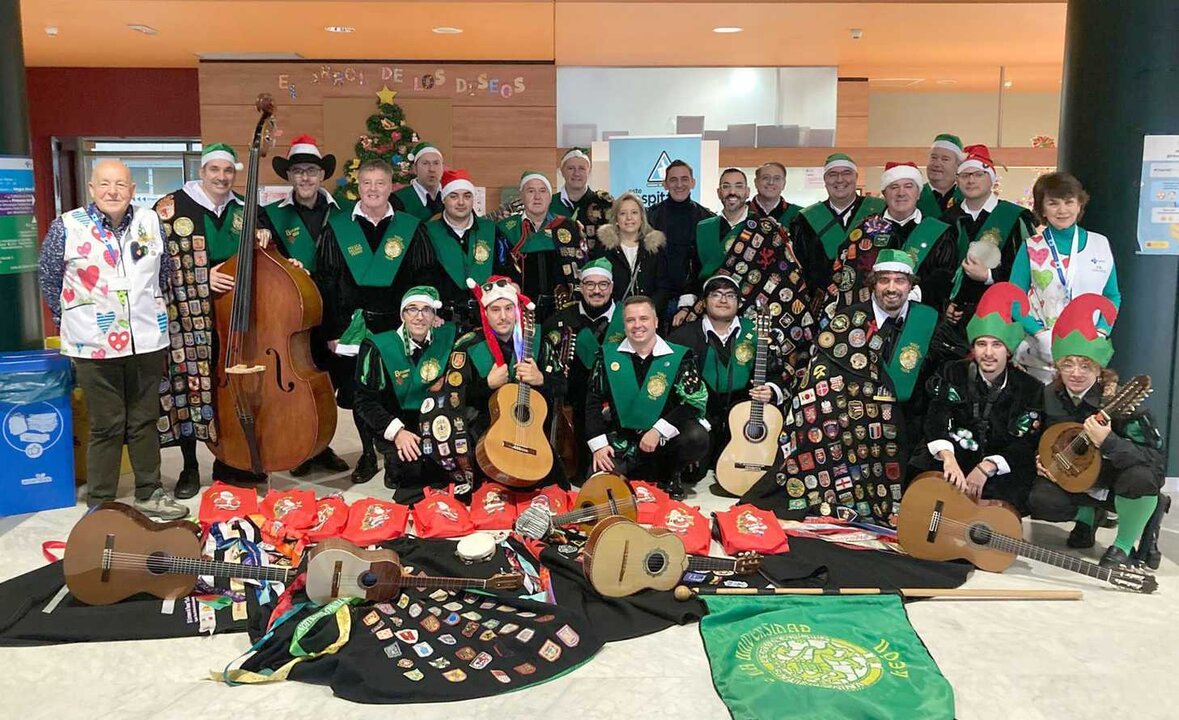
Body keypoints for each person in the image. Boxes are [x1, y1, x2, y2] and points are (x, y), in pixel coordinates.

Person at [38, 159, 187, 519]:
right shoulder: (68, 226)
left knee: (144, 419)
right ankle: (102, 501)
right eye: (104, 184)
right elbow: (49, 277)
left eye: (120, 184)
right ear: (92, 189)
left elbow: (164, 272)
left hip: (147, 339)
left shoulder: (150, 221)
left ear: (133, 190)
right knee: (106, 423)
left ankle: (149, 492)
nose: (112, 191)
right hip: (92, 342)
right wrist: (72, 320)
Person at [745, 250, 937, 526]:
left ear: (911, 285)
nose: (892, 288)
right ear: (873, 283)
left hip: (908, 417)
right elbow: (820, 377)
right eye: (885, 280)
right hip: (851, 417)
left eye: (900, 280)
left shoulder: (927, 322)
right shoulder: (845, 321)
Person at [154, 143, 284, 493]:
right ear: (202, 171)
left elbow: (275, 260)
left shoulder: (247, 210)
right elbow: (154, 267)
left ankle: (232, 460)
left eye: (228, 171)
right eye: (215, 170)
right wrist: (201, 277)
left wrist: (266, 240)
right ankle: (189, 466)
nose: (222, 177)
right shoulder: (169, 209)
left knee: (232, 388)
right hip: (188, 318)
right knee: (190, 386)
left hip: (238, 321)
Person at [316, 158, 437, 484]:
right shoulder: (338, 227)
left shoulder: (410, 227)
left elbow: (424, 275)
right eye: (367, 183)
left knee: (399, 388)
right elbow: (325, 282)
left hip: (400, 326)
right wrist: (332, 330)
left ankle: (398, 447)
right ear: (358, 185)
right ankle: (368, 453)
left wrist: (425, 317)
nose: (373, 189)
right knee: (360, 392)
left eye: (380, 183)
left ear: (390, 186)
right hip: (353, 328)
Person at [1028, 295, 1166, 569]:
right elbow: (1038, 434)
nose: (1076, 373)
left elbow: (1157, 462)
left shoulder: (1122, 402)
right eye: (1068, 364)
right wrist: (1039, 458)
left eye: (1085, 365)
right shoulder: (1049, 395)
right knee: (1039, 499)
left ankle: (1123, 543)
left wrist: (1110, 441)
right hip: (1075, 476)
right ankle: (1088, 518)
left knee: (1142, 478)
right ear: (1058, 367)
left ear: (1098, 369)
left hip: (1117, 481)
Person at [910, 283, 1044, 514]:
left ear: (1008, 351)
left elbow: (1024, 443)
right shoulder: (952, 372)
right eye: (982, 344)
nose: (989, 353)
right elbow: (936, 417)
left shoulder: (1030, 388)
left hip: (996, 471)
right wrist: (948, 457)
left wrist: (987, 467)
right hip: (951, 460)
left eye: (997, 345)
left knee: (1002, 509)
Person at [262, 135, 350, 477]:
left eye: (311, 171)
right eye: (298, 171)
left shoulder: (341, 213)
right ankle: (302, 449)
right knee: (298, 384)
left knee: (328, 382)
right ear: (289, 176)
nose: (305, 178)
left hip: (333, 311)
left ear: (321, 175)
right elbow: (266, 261)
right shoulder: (270, 216)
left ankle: (322, 445)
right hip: (292, 315)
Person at [585, 295, 710, 500]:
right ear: (623, 324)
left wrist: (658, 430)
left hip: (663, 442)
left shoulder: (681, 356)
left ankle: (672, 474)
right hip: (623, 441)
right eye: (630, 320)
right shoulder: (607, 355)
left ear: (656, 322)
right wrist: (599, 446)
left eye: (644, 319)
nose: (637, 325)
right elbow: (592, 403)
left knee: (696, 436)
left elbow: (692, 404)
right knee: (598, 487)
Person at [669, 274, 783, 483]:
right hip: (702, 417)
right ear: (703, 302)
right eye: (716, 294)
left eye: (730, 295)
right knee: (693, 474)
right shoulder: (682, 336)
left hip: (744, 419)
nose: (723, 300)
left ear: (739, 303)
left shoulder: (757, 332)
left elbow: (776, 373)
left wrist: (771, 389)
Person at [1010, 172, 1120, 384]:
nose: (1062, 210)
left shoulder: (1100, 244)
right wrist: (1039, 333)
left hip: (1087, 353)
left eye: (1069, 202)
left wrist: (1101, 331)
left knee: (1081, 414)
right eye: (1053, 203)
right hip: (1041, 358)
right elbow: (1015, 300)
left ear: (1080, 205)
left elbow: (1112, 295)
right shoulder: (1031, 248)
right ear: (1042, 208)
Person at [353, 286, 459, 491]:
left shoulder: (447, 338)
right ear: (402, 314)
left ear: (434, 316)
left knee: (444, 473)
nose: (419, 317)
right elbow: (363, 402)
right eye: (412, 309)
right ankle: (393, 459)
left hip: (432, 418)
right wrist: (397, 432)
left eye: (426, 310)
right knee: (404, 475)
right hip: (397, 421)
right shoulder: (377, 347)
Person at [938, 144, 1036, 361]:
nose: (971, 180)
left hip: (1000, 318)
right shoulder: (946, 220)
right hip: (954, 325)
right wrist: (946, 305)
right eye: (964, 175)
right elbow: (939, 272)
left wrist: (989, 277)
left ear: (991, 178)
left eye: (978, 174)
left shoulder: (1014, 217)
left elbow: (1028, 269)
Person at [825, 161, 958, 315]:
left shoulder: (940, 232)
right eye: (894, 187)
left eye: (908, 186)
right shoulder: (863, 231)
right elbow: (846, 274)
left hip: (920, 316)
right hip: (869, 319)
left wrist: (910, 296)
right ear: (884, 193)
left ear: (918, 192)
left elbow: (945, 276)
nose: (901, 193)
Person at [541, 258, 626, 478]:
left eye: (603, 285)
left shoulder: (629, 320)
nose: (596, 291)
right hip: (574, 411)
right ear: (580, 286)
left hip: (619, 410)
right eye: (590, 284)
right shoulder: (559, 321)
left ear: (612, 287)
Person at [450, 276, 556, 449]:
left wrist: (541, 379)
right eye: (495, 310)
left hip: (532, 434)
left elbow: (564, 387)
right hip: (484, 434)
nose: (503, 316)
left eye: (509, 308)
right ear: (485, 312)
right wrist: (486, 385)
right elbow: (452, 398)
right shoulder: (467, 345)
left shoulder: (537, 339)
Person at [791, 153, 885, 309]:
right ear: (825, 180)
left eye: (846, 173)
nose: (840, 179)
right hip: (822, 307)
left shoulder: (880, 211)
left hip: (873, 303)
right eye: (832, 174)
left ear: (856, 176)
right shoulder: (804, 220)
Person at [423, 168, 513, 331]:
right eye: (454, 196)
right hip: (441, 322)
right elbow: (419, 279)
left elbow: (507, 272)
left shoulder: (492, 232)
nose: (461, 202)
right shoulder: (427, 234)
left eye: (467, 196)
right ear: (444, 199)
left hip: (487, 322)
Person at [497, 171, 586, 323]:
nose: (537, 197)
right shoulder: (505, 229)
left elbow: (582, 269)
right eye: (531, 191)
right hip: (519, 313)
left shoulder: (569, 227)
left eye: (543, 191)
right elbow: (498, 271)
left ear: (550, 196)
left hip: (562, 312)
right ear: (522, 196)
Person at [647, 160, 715, 321]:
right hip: (656, 299)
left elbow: (709, 266)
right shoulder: (650, 217)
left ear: (693, 183)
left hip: (695, 303)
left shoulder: (708, 220)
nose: (679, 184)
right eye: (673, 179)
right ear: (664, 184)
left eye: (684, 179)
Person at [592, 192, 668, 312]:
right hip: (614, 318)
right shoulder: (604, 249)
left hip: (649, 317)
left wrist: (647, 311)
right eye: (623, 213)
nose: (629, 218)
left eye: (634, 212)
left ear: (642, 217)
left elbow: (663, 287)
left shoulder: (655, 248)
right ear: (616, 218)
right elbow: (600, 287)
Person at [689, 168, 752, 307]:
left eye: (739, 186)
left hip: (750, 308)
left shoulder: (762, 227)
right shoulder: (703, 228)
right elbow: (695, 273)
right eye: (726, 186)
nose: (732, 192)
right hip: (711, 307)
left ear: (747, 192)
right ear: (719, 192)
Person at [549, 148, 613, 249]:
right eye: (571, 168)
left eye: (582, 168)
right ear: (562, 171)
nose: (576, 173)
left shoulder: (604, 204)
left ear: (589, 171)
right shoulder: (549, 204)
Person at [390, 141, 445, 219]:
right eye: (425, 163)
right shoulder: (397, 200)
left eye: (436, 163)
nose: (432, 169)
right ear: (415, 169)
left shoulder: (451, 196)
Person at [917, 133, 966, 218]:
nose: (937, 164)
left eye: (945, 159)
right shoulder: (914, 196)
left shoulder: (967, 197)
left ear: (958, 165)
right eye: (933, 157)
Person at [749, 162, 800, 226]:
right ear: (756, 182)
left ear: (784, 184)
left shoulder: (799, 214)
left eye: (777, 178)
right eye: (765, 178)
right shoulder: (740, 212)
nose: (771, 182)